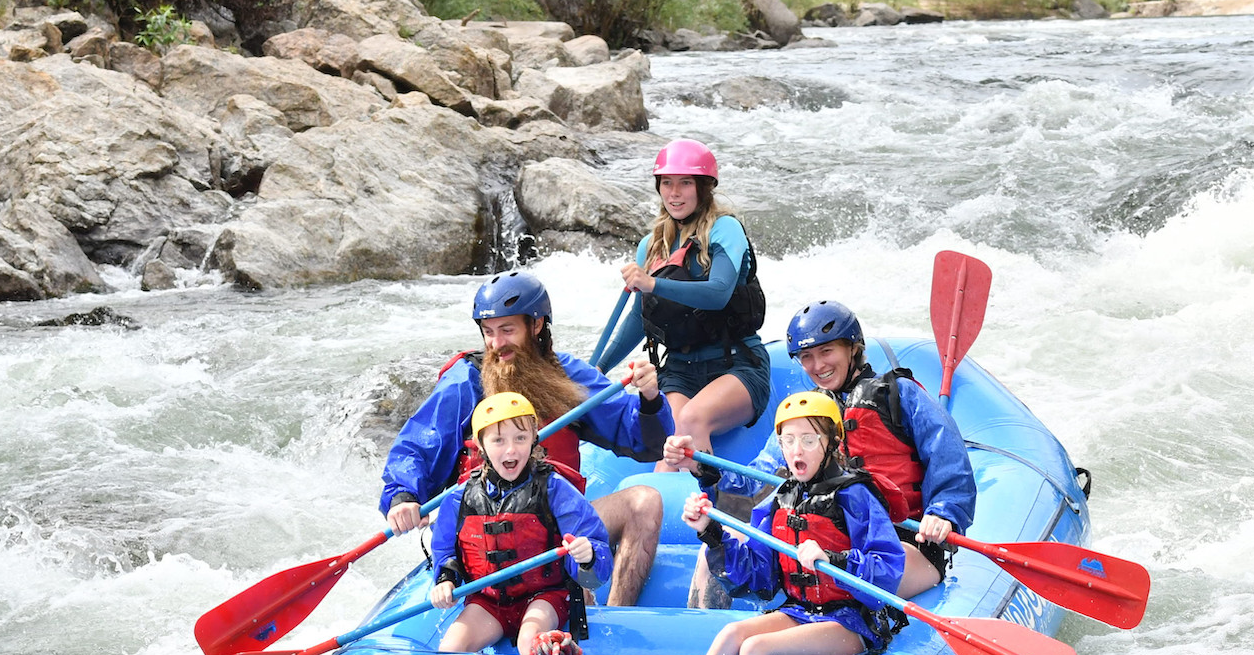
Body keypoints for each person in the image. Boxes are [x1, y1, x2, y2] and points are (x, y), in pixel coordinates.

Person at [382, 271, 668, 606]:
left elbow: (642, 438)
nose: (496, 344)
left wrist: (650, 399)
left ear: (536, 325)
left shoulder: (567, 376)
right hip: (484, 534)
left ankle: (617, 616)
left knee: (644, 501)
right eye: (488, 332)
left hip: (554, 525)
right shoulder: (467, 380)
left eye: (507, 330)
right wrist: (402, 495)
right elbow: (418, 445)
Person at [669, 299, 976, 600]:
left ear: (853, 347)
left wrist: (943, 513)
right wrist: (699, 461)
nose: (818, 366)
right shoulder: (805, 412)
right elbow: (753, 480)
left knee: (857, 587)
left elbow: (946, 455)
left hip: (897, 540)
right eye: (806, 357)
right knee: (716, 549)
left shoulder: (899, 393)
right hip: (827, 538)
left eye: (827, 351)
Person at [679, 391, 906, 655]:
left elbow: (888, 570)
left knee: (756, 649)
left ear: (833, 443)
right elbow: (758, 577)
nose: (796, 450)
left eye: (808, 440)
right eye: (788, 440)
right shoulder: (781, 500)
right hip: (800, 612)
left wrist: (835, 559)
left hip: (851, 621)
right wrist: (711, 532)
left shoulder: (855, 496)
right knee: (730, 634)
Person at [617, 139, 770, 464]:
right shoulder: (651, 246)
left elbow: (718, 293)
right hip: (680, 371)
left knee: (690, 421)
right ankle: (665, 513)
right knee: (668, 442)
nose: (674, 193)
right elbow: (636, 322)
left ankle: (704, 513)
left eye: (685, 183)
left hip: (737, 365)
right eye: (667, 183)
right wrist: (595, 370)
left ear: (703, 188)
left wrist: (652, 282)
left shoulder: (725, 230)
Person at [429, 394, 610, 655]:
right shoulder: (460, 498)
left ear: (534, 439)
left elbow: (595, 548)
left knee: (530, 640)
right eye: (498, 440)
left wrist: (588, 556)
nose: (511, 450)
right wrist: (446, 580)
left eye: (520, 438)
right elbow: (445, 552)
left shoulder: (555, 490)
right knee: (450, 648)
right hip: (488, 603)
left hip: (546, 597)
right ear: (481, 444)